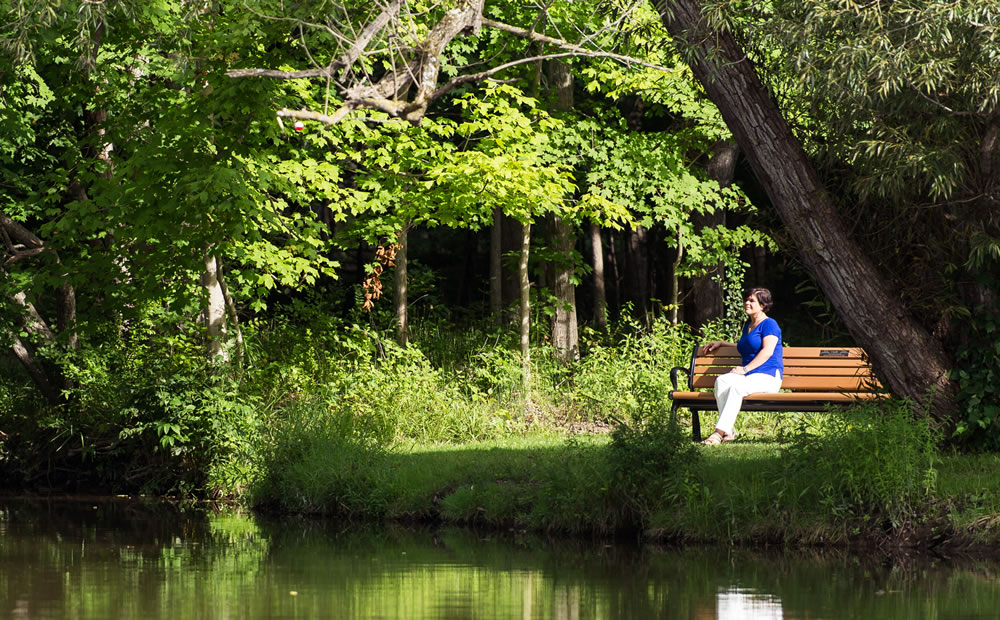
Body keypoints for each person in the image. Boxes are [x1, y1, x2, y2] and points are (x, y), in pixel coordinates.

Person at [699, 287, 784, 445]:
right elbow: (745, 346)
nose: (747, 302)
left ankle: (718, 433)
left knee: (736, 387)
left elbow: (767, 351)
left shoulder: (770, 324)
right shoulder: (749, 326)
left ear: (763, 305)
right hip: (750, 376)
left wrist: (744, 369)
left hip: (769, 376)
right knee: (722, 381)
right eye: (746, 299)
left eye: (752, 301)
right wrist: (722, 343)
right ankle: (729, 430)